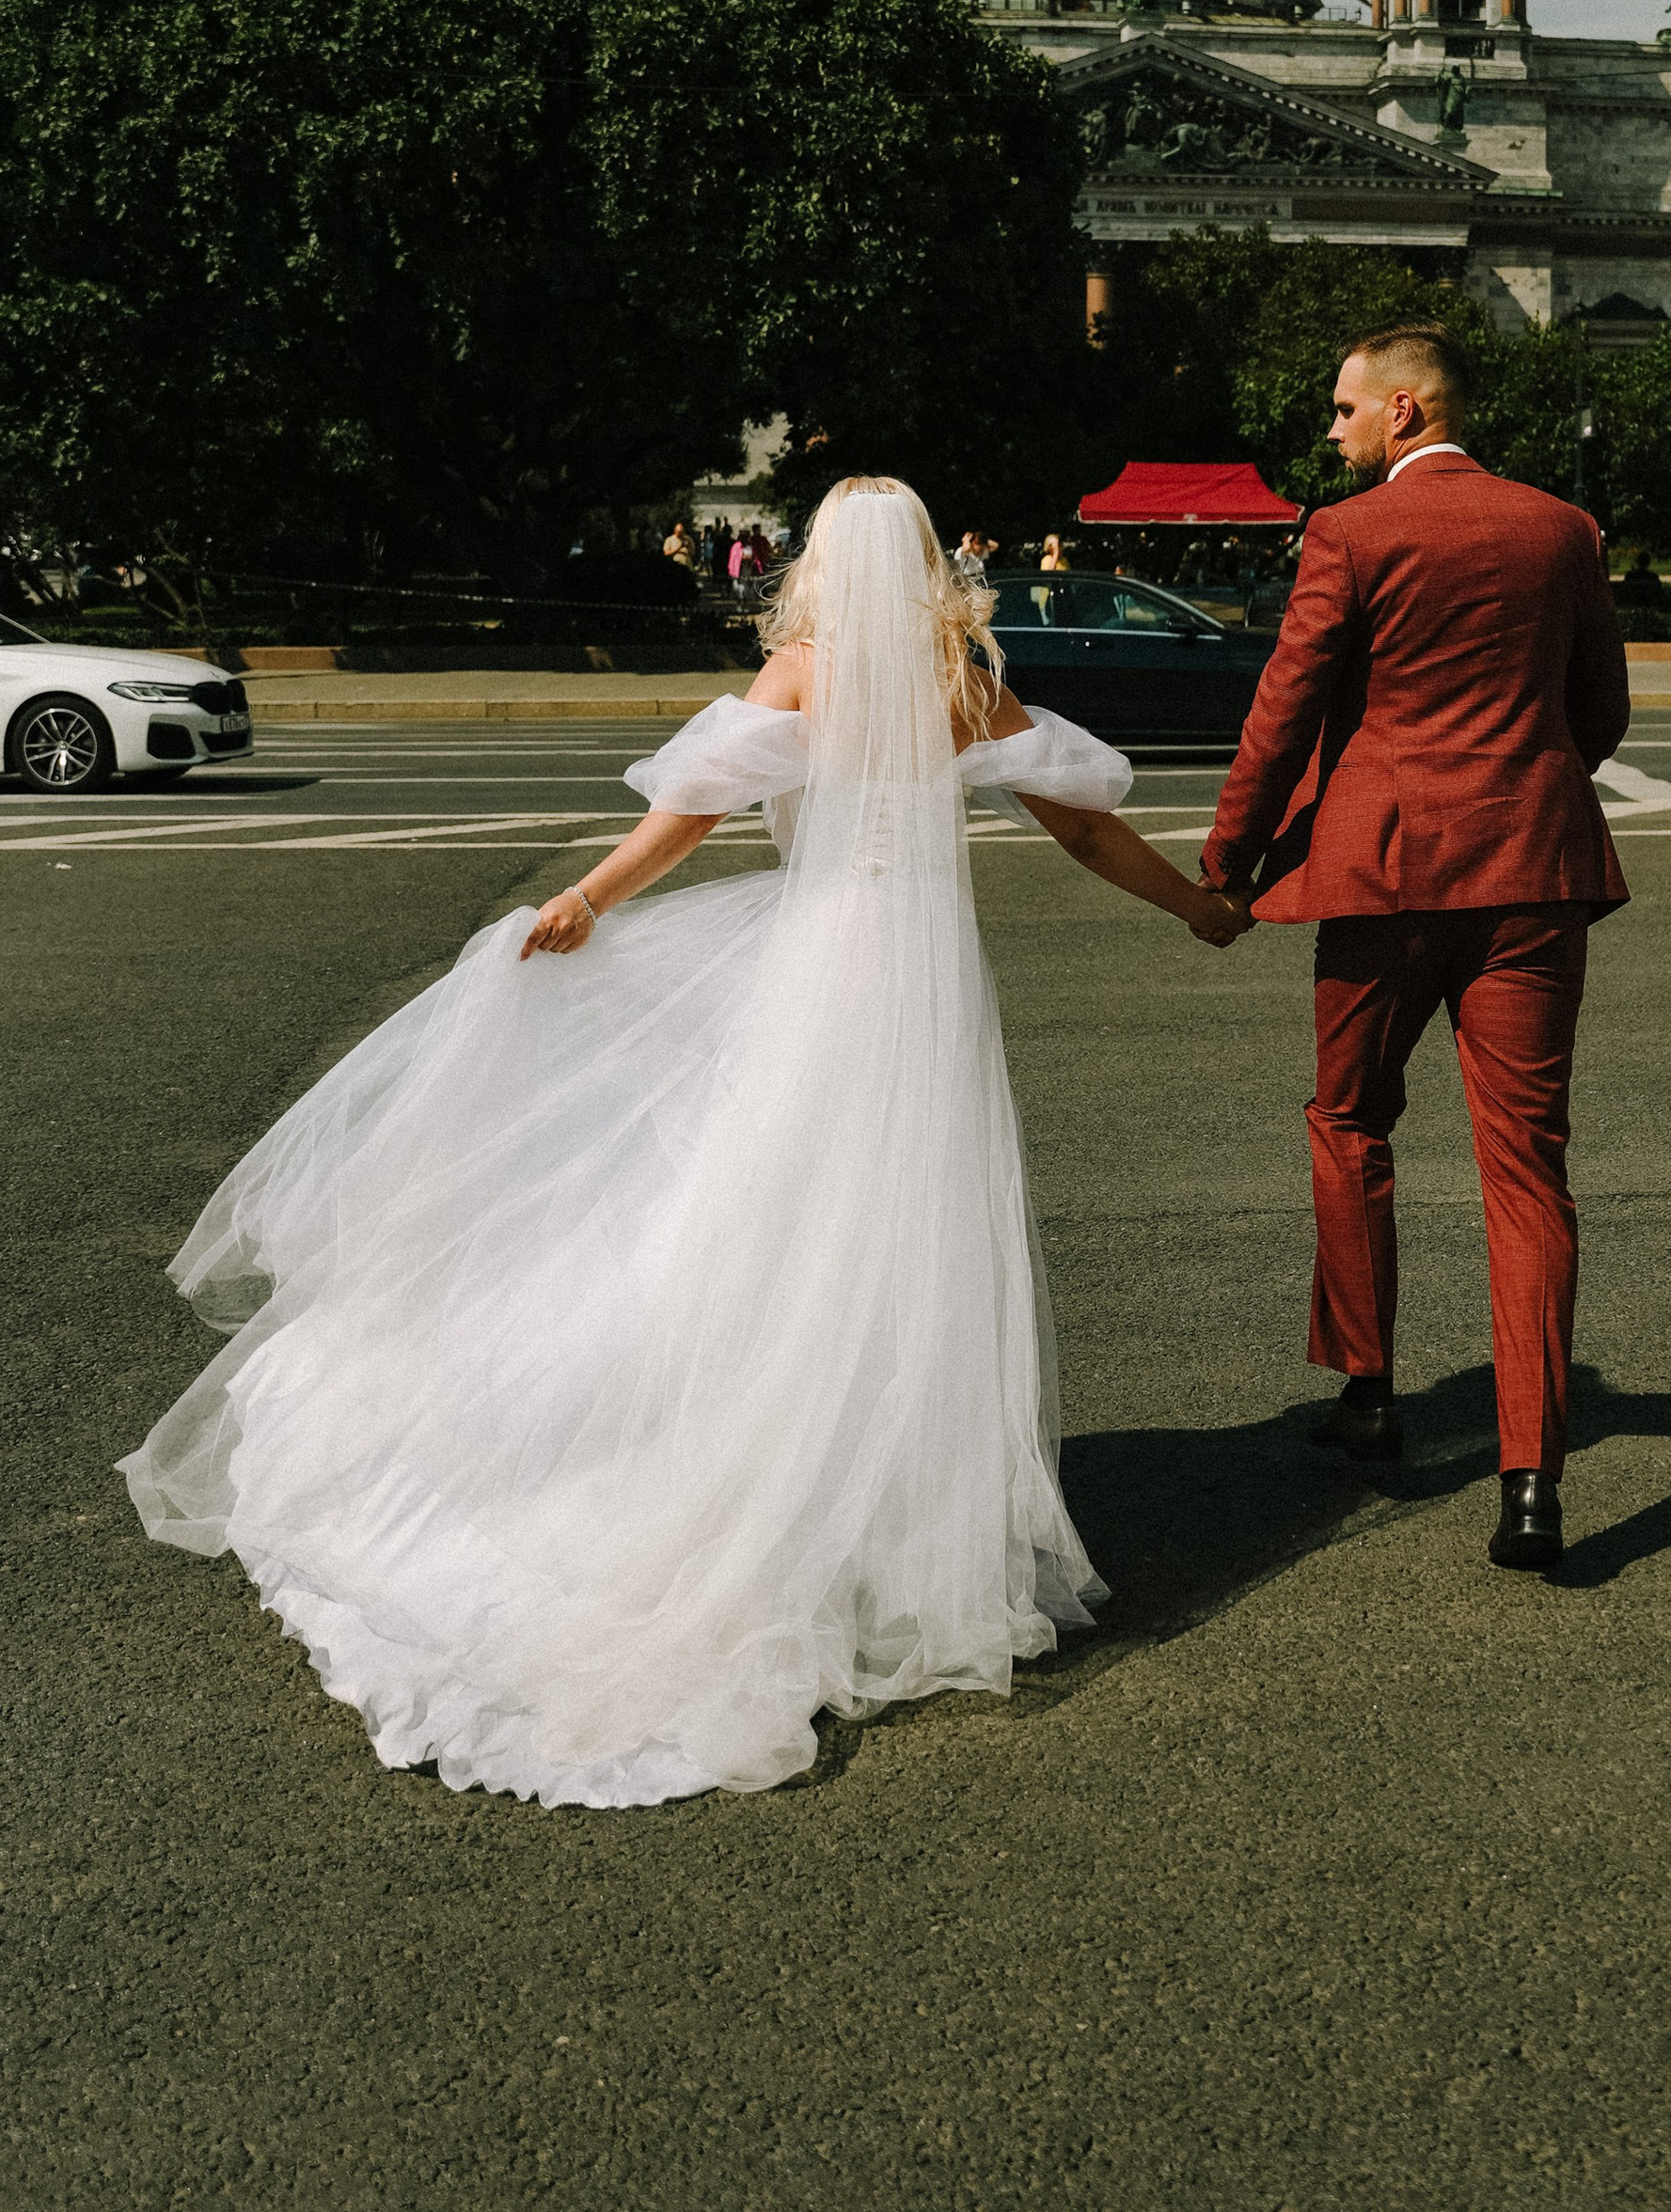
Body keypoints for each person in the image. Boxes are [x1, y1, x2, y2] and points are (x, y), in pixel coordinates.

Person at [119, 478, 1248, 1809]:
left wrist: (588, 897)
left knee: (767, 1214)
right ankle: (878, 1519)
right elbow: (1085, 824)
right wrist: (1196, 906)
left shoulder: (802, 671)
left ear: (820, 564)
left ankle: (771, 1483)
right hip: (925, 983)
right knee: (898, 1233)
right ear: (931, 564)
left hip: (821, 962)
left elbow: (691, 816)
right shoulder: (959, 682)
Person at [1200, 323, 1630, 1579]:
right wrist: (1525, 789)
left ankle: (1371, 1389)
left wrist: (1229, 863)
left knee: (1348, 1118)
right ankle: (1534, 1479)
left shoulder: (1348, 534)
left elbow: (1281, 711)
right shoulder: (1565, 529)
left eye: (1342, 411)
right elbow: (1597, 711)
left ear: (1400, 413)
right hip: (1534, 876)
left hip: (1384, 880)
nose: (1329, 431)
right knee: (1527, 1172)